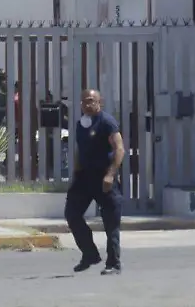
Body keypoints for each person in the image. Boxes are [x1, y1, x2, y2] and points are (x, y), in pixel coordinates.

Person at [65, 88, 124, 276]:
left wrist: (110, 175)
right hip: (84, 178)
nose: (87, 104)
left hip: (103, 178)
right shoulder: (81, 124)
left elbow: (119, 149)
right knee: (72, 214)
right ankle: (90, 254)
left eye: (91, 100)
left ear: (100, 103)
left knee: (110, 223)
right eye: (84, 101)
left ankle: (113, 263)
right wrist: (75, 173)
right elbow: (80, 150)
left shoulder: (106, 122)